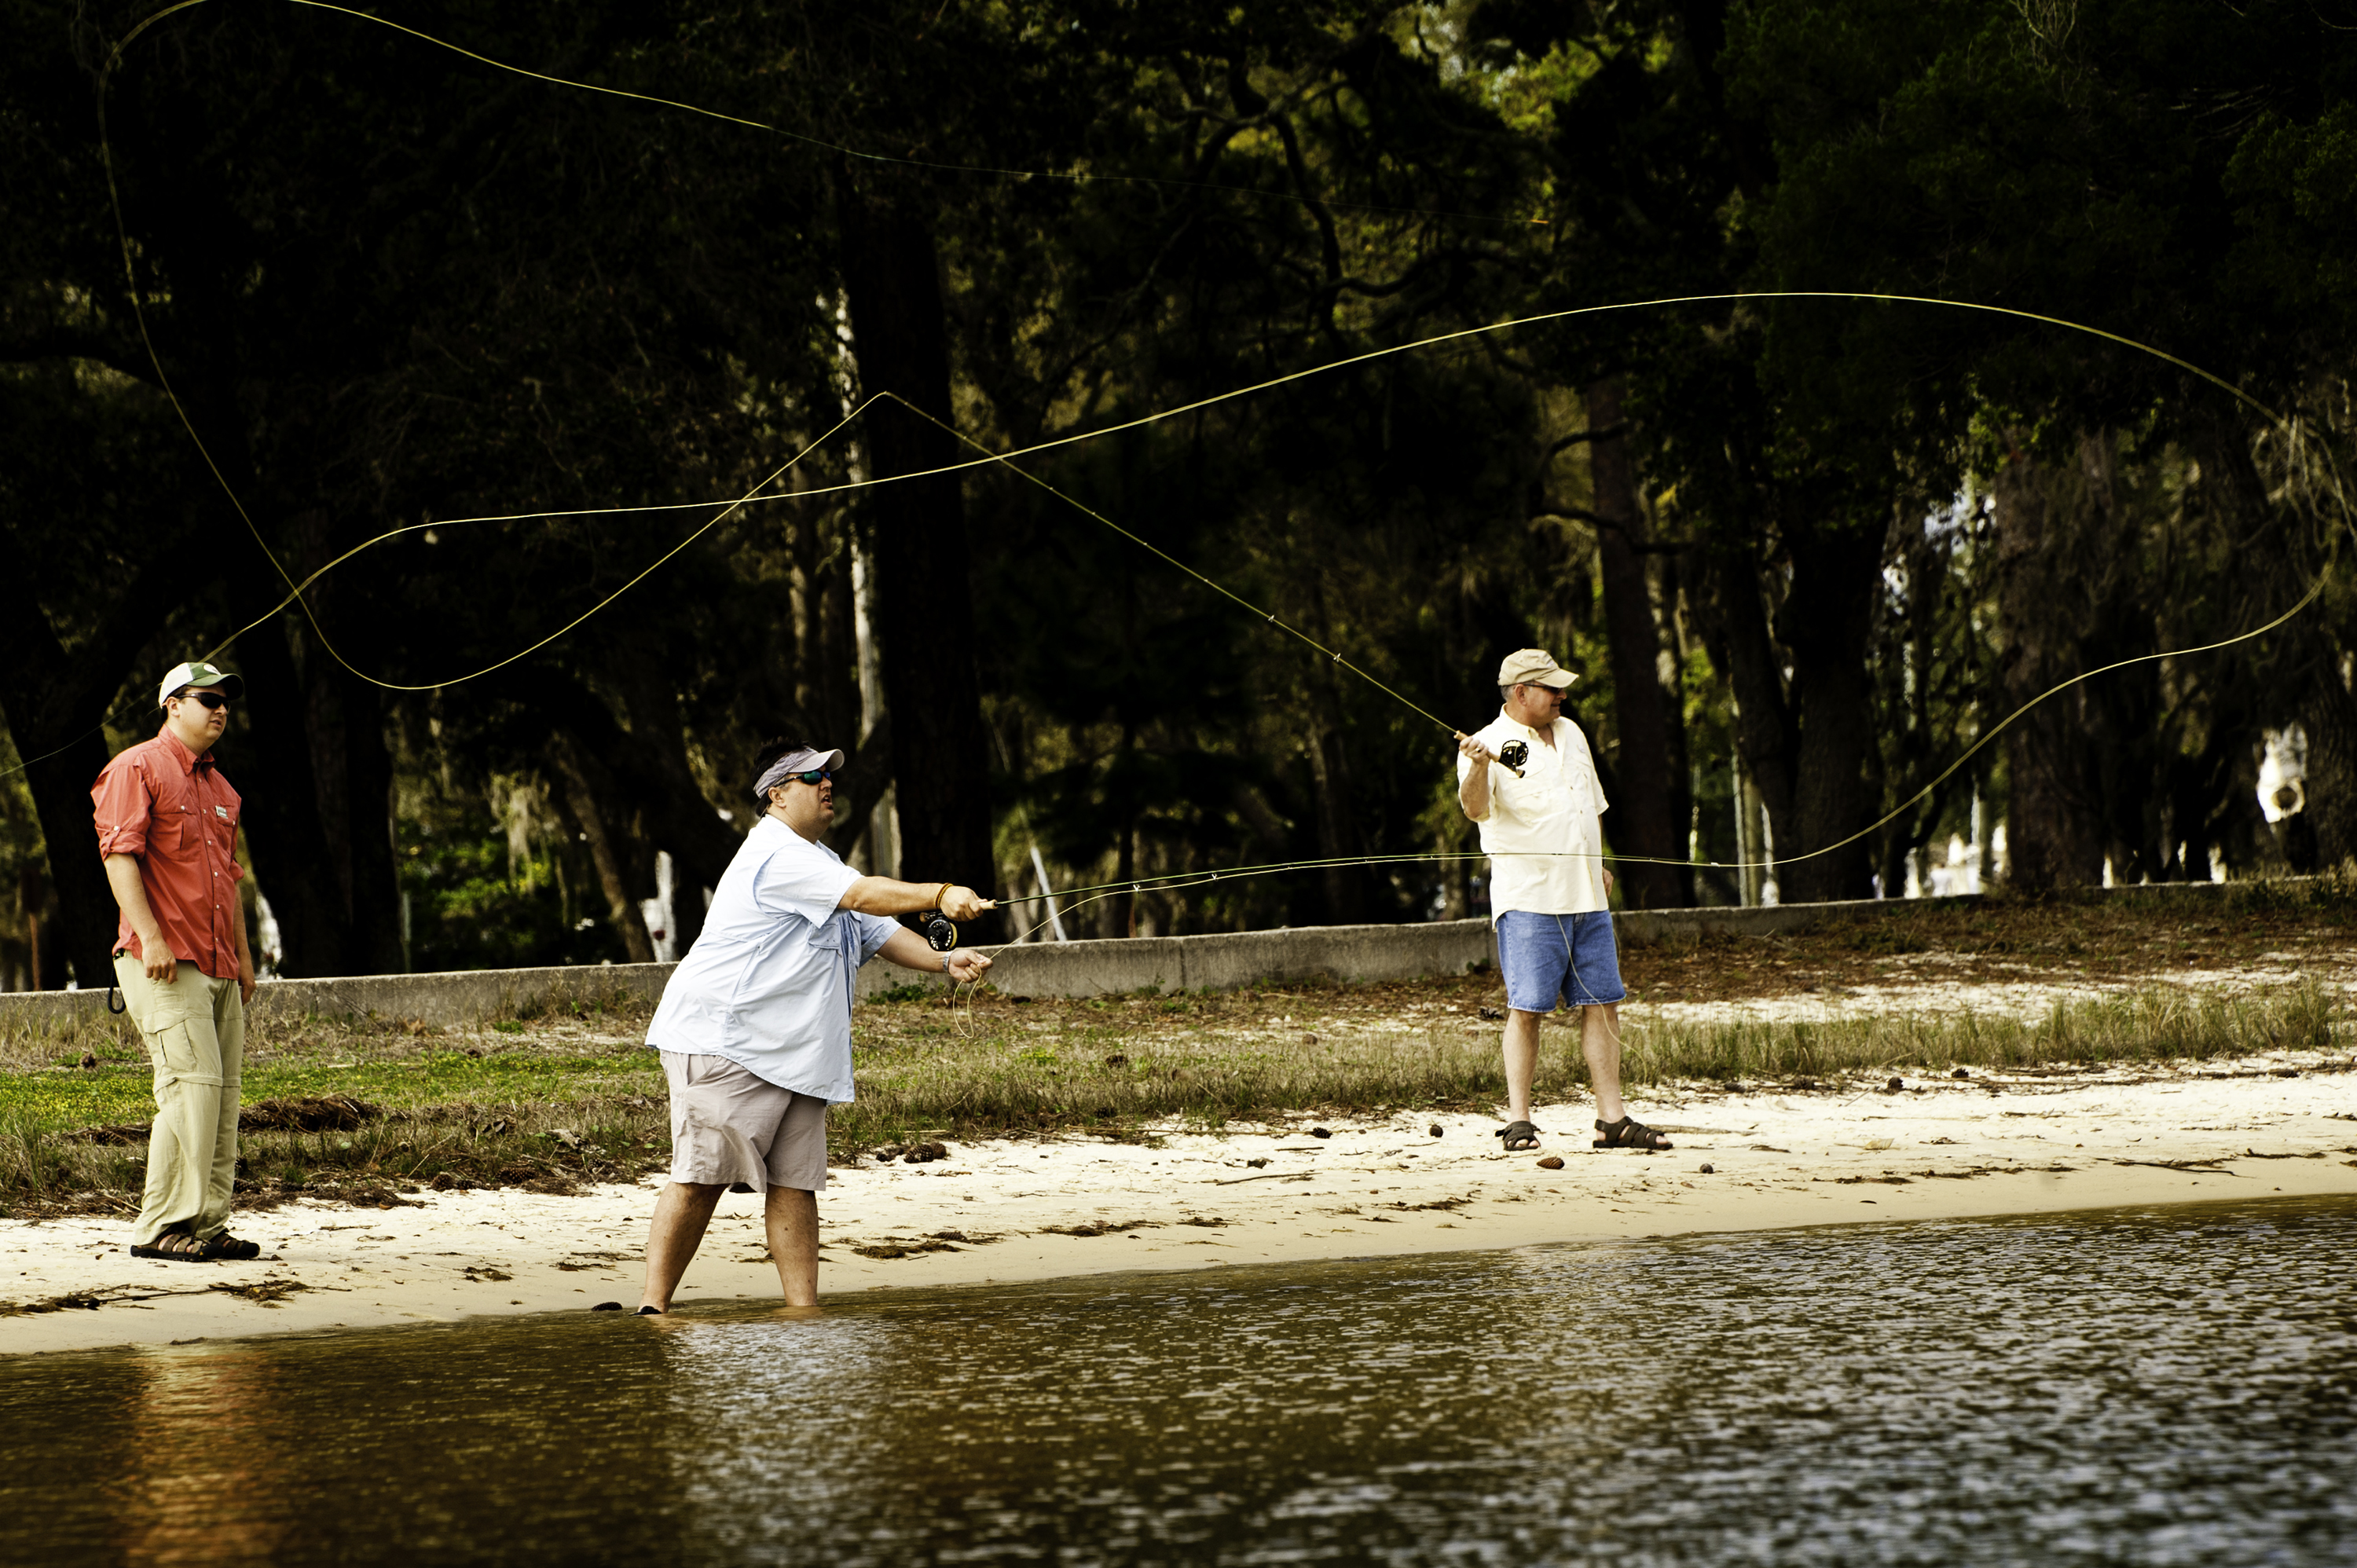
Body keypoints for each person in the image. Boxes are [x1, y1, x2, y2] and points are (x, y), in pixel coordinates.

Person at [635, 737, 995, 1313]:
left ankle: (803, 1314)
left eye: (829, 774)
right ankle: (652, 1312)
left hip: (796, 1055)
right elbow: (865, 896)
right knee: (702, 1177)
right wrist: (941, 893)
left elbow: (873, 931)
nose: (828, 783)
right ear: (776, 795)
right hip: (730, 1043)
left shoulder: (820, 861)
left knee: (795, 1186)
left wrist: (945, 961)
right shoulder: (776, 854)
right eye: (811, 777)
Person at [1457, 649, 1671, 1153]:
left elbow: (1590, 804)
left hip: (1588, 895)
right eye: (1552, 689)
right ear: (1520, 693)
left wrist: (1597, 862)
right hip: (1530, 898)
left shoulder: (1572, 733)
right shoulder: (1485, 744)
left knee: (1603, 1001)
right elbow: (1475, 809)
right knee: (1527, 1007)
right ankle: (1518, 1121)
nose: (1562, 696)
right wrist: (1475, 767)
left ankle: (1611, 1121)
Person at [92, 660, 264, 1262]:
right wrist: (153, 937)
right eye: (207, 699)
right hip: (162, 961)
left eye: (225, 701)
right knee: (188, 1090)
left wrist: (244, 959)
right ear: (171, 705)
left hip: (218, 964)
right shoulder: (136, 766)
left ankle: (209, 1225)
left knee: (220, 1096)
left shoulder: (222, 790)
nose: (220, 709)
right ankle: (160, 1227)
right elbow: (119, 857)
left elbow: (231, 878)